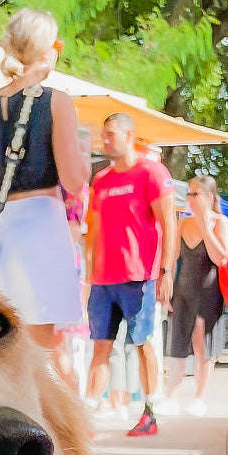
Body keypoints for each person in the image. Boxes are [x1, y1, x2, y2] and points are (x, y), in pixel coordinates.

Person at [0, 9, 89, 354]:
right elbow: (74, 180)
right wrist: (83, 151)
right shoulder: (56, 101)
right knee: (42, 350)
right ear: (46, 51)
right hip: (40, 226)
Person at [84, 112, 177, 438]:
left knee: (142, 344)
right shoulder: (102, 180)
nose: (105, 140)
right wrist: (88, 277)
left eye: (111, 134)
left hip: (139, 278)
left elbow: (169, 224)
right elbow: (93, 233)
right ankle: (86, 417)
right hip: (103, 282)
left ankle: (150, 411)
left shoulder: (151, 172)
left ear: (128, 134)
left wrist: (166, 272)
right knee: (100, 348)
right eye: (103, 135)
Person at [160, 173, 228, 417]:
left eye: (194, 194)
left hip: (208, 291)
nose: (189, 198)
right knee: (177, 341)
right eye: (188, 193)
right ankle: (170, 395)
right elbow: (173, 257)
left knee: (202, 341)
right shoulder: (182, 224)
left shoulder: (219, 222)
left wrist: (205, 226)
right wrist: (166, 281)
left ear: (208, 197)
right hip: (183, 289)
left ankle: (199, 397)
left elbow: (221, 258)